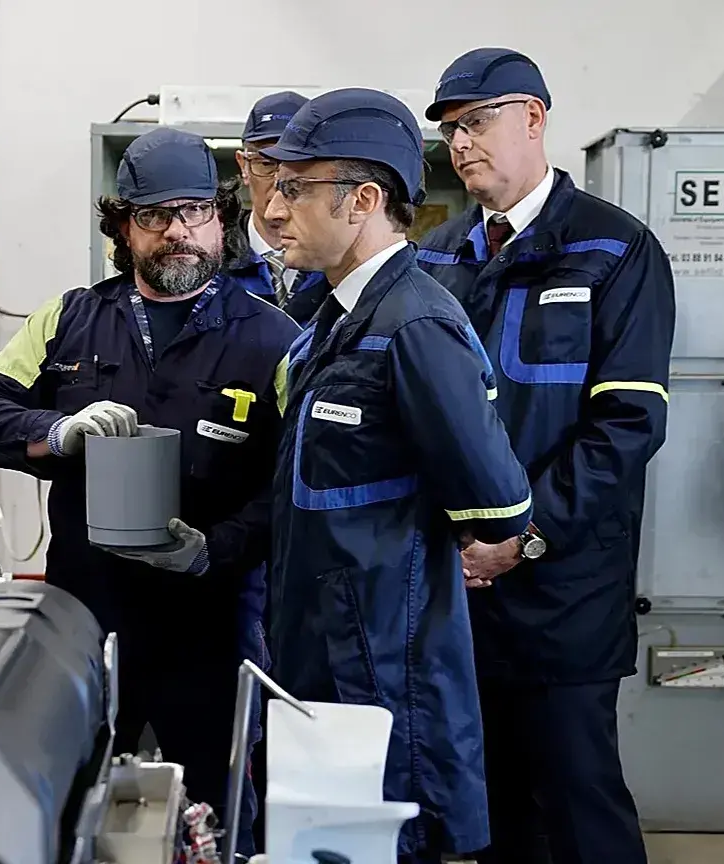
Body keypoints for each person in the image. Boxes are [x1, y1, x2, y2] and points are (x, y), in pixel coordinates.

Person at [0, 126, 299, 856]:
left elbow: (294, 484)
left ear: (222, 217)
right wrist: (58, 429)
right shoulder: (68, 318)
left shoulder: (276, 340)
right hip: (86, 618)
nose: (177, 232)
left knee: (219, 807)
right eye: (154, 216)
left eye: (194, 211)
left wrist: (214, 550)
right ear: (122, 227)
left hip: (211, 621)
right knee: (76, 800)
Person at [260, 88, 535, 863]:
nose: (274, 211)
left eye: (295, 188)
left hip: (381, 662)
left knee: (390, 840)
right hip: (322, 647)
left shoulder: (414, 324)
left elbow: (497, 501)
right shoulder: (339, 316)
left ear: (365, 200)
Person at [416, 48, 675, 864]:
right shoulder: (439, 256)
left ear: (533, 118)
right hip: (459, 592)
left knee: (578, 805)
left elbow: (626, 427)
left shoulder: (614, 249)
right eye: (451, 131)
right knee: (485, 814)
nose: (460, 145)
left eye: (475, 123)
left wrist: (523, 537)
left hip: (563, 591)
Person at [227, 91, 330, 323]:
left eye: (296, 166)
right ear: (243, 166)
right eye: (266, 164)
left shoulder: (339, 264)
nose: (279, 183)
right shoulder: (212, 265)